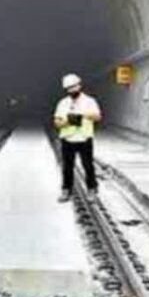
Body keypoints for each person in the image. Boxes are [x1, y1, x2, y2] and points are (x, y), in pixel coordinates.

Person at [54, 73, 102, 202]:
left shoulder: (90, 101)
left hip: (84, 138)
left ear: (79, 86)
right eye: (68, 88)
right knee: (67, 167)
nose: (71, 90)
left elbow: (98, 117)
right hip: (67, 138)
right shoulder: (63, 103)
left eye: (73, 87)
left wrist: (83, 114)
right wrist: (68, 121)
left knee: (88, 165)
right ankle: (66, 190)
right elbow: (57, 123)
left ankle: (92, 189)